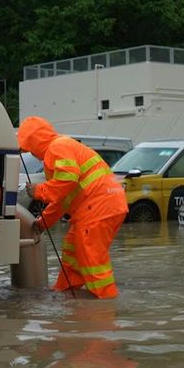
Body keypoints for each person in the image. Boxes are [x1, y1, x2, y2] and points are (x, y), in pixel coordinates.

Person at [17, 116, 128, 298]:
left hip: (98, 207)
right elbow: (62, 198)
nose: (31, 153)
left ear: (35, 141)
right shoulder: (58, 150)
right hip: (100, 206)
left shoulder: (57, 147)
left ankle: (104, 306)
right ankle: (66, 294)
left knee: (92, 259)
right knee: (72, 251)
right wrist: (43, 222)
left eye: (29, 147)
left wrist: (39, 191)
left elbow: (67, 181)